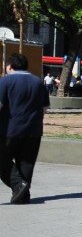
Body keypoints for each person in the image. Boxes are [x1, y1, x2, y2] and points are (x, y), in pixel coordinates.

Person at [0, 53, 51, 204]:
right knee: (26, 163)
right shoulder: (38, 82)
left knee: (2, 159)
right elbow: (45, 108)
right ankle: (22, 195)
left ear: (9, 66)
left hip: (9, 129)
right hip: (34, 130)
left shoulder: (5, 81)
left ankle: (18, 184)